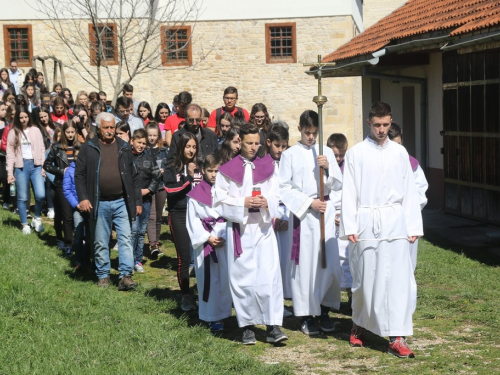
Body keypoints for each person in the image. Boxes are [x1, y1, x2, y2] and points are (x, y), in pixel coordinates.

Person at [340, 101, 423, 358]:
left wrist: (413, 224)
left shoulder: (400, 153)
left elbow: (409, 191)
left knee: (397, 281)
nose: (382, 130)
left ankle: (397, 337)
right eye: (377, 125)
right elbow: (349, 191)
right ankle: (360, 322)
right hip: (367, 220)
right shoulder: (356, 153)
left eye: (386, 124)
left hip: (395, 221)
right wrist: (350, 225)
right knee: (366, 280)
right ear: (369, 123)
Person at [213, 123, 287, 345]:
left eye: (256, 143)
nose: (253, 147)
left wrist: (268, 202)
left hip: (263, 228)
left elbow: (278, 194)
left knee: (269, 276)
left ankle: (273, 326)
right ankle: (247, 326)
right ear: (239, 142)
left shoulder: (269, 166)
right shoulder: (227, 170)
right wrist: (242, 202)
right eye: (248, 143)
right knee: (242, 279)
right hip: (241, 229)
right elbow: (218, 200)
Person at [279, 110, 343, 336]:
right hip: (304, 217)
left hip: (325, 212)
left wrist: (328, 168)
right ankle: (307, 316)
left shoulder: (325, 152)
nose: (311, 138)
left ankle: (324, 311)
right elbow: (284, 188)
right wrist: (308, 202)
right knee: (306, 266)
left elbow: (338, 184)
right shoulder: (290, 155)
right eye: (307, 133)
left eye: (315, 133)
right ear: (299, 129)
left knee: (328, 264)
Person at [75, 112, 141, 291]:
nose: (110, 131)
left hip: (122, 201)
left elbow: (134, 177)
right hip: (99, 202)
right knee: (101, 240)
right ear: (98, 128)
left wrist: (137, 202)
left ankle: (125, 276)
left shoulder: (124, 147)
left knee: (126, 238)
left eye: (112, 127)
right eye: (106, 127)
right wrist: (83, 197)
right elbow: (79, 175)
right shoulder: (88, 148)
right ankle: (103, 276)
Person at [187, 154, 231, 332]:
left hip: (224, 236)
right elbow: (192, 220)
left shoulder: (227, 191)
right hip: (207, 240)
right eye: (210, 171)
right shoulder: (195, 195)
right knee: (210, 279)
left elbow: (232, 213)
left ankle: (226, 312)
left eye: (217, 171)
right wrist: (207, 238)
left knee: (225, 277)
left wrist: (227, 232)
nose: (214, 175)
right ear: (203, 171)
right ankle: (212, 317)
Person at [164, 132, 203, 311]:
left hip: (199, 215)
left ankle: (205, 293)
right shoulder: (172, 168)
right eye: (188, 146)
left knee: (203, 256)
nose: (191, 150)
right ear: (181, 147)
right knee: (184, 258)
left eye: (194, 147)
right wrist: (189, 177)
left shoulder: (201, 167)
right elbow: (171, 191)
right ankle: (186, 296)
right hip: (179, 214)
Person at [387, 123, 428, 270]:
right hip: (386, 220)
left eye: (399, 144)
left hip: (407, 219)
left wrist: (409, 207)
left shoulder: (411, 163)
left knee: (408, 265)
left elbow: (421, 190)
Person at [263, 125, 293, 316]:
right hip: (270, 216)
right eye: (277, 146)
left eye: (284, 146)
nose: (281, 150)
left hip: (287, 213)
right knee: (271, 260)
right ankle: (272, 301)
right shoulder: (262, 164)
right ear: (268, 143)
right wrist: (271, 217)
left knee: (286, 259)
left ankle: (285, 297)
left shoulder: (287, 161)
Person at [6, 106, 46, 234]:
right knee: (22, 197)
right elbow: (10, 153)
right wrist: (9, 172)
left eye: (25, 117)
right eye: (21, 117)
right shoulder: (13, 132)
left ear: (29, 117)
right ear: (17, 118)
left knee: (40, 195)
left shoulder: (35, 130)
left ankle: (37, 218)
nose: (24, 120)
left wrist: (43, 166)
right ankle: (24, 224)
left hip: (36, 165)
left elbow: (42, 149)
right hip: (21, 166)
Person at [44, 122, 79, 256]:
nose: (70, 135)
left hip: (77, 185)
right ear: (63, 132)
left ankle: (78, 241)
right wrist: (60, 171)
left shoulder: (79, 146)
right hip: (61, 185)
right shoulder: (57, 147)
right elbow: (46, 165)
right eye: (68, 132)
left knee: (77, 215)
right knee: (67, 216)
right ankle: (68, 244)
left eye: (72, 132)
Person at [327, 133, 352, 310]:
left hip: (346, 219)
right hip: (329, 221)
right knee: (331, 262)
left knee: (349, 262)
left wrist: (344, 215)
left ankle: (352, 298)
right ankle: (329, 300)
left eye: (341, 155)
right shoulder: (322, 167)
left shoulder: (350, 169)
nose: (338, 158)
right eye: (334, 155)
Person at [130, 128, 161, 273]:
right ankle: (129, 259)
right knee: (133, 230)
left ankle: (138, 259)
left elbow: (156, 177)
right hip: (130, 200)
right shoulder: (126, 158)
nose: (141, 145)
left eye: (143, 143)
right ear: (132, 141)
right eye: (138, 142)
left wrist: (148, 190)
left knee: (142, 231)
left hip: (145, 199)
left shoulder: (149, 159)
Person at [63, 148, 91, 271]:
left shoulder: (90, 170)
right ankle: (79, 260)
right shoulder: (70, 171)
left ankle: (89, 259)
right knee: (78, 234)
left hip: (90, 207)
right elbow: (67, 190)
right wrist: (76, 204)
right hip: (77, 208)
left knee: (90, 235)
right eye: (76, 155)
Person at [145, 122, 168, 258]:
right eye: (149, 135)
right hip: (149, 186)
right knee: (151, 216)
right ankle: (152, 244)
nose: (152, 138)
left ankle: (156, 242)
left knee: (158, 216)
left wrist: (164, 170)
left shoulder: (164, 151)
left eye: (154, 135)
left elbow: (170, 166)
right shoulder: (144, 151)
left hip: (161, 185)